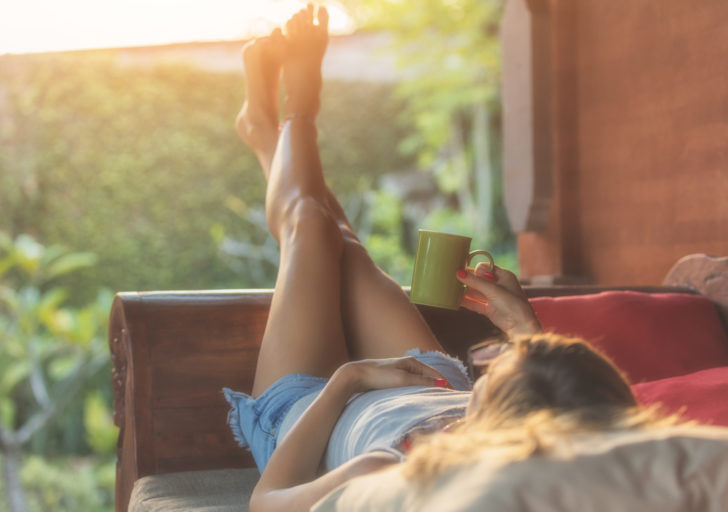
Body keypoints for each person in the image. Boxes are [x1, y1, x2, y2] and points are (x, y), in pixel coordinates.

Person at [223, 5, 657, 511]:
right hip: (424, 382)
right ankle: (264, 132)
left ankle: (295, 112)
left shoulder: (391, 474)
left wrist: (351, 378)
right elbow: (579, 409)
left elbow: (265, 502)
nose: (486, 373)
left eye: (490, 381)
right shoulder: (553, 445)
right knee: (342, 242)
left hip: (310, 417)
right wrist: (520, 322)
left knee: (312, 227)